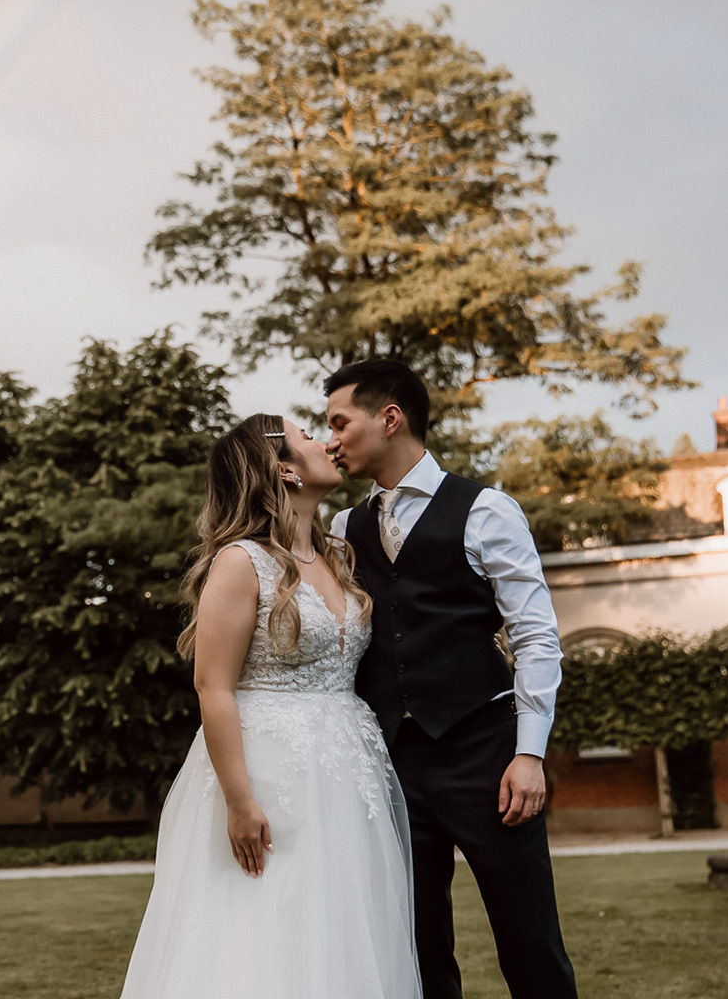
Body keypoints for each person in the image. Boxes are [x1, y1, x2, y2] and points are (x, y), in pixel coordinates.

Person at [119, 413, 421, 999]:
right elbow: (213, 686)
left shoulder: (338, 553)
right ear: (282, 467)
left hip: (346, 770)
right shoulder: (240, 561)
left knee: (343, 923)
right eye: (309, 436)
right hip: (268, 769)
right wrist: (239, 802)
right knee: (268, 920)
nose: (327, 442)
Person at [322, 360, 578, 999]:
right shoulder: (340, 529)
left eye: (338, 423)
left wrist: (529, 753)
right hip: (389, 761)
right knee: (413, 944)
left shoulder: (487, 510)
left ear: (390, 417)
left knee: (529, 937)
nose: (330, 441)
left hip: (486, 752)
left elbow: (537, 636)